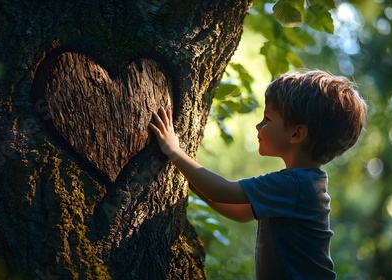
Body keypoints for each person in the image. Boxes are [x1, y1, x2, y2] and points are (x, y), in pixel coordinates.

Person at [149, 70, 367, 279]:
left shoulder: (297, 184)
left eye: (267, 119)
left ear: (296, 133)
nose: (258, 125)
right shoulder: (304, 183)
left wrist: (174, 152)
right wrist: (192, 180)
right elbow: (242, 212)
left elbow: (221, 190)